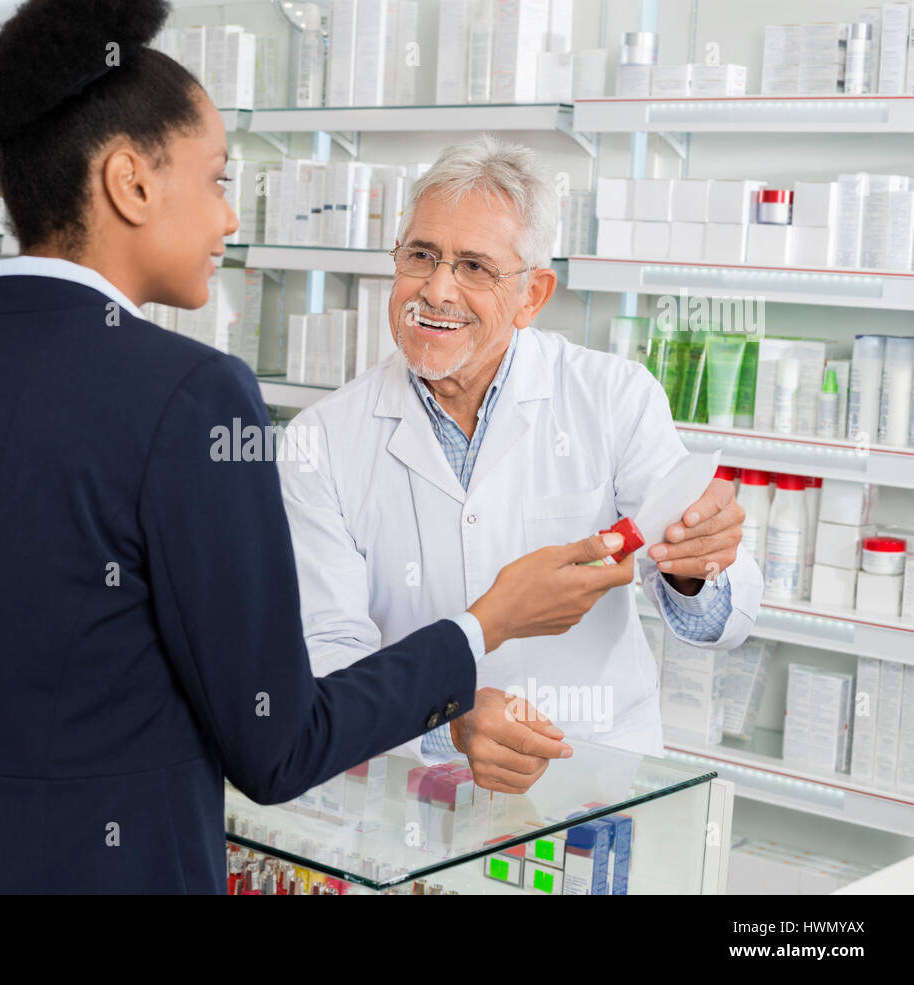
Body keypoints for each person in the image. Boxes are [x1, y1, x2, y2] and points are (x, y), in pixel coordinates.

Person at [0, 0, 633, 893]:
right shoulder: (192, 397)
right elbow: (279, 746)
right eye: (218, 179)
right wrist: (485, 623)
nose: (230, 219)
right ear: (131, 181)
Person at [278, 136, 763, 794]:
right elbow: (326, 654)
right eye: (421, 256)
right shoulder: (321, 441)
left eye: (475, 267)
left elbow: (719, 622)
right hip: (411, 793)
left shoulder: (613, 397)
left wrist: (693, 567)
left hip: (591, 784)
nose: (437, 289)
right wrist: (447, 720)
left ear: (533, 294)